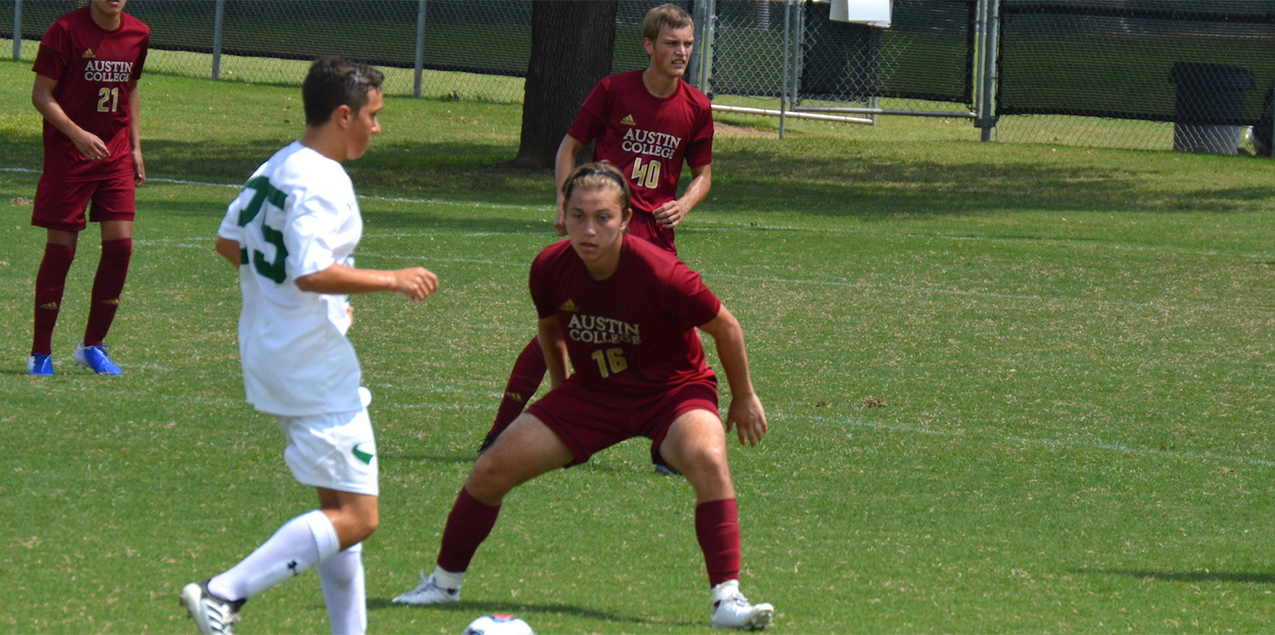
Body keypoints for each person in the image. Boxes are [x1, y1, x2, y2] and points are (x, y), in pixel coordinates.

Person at [393, 163, 773, 631]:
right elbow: (551, 329)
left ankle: (727, 600)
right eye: (577, 216)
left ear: (626, 219)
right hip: (594, 393)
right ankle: (442, 585)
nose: (588, 229)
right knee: (490, 468)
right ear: (563, 215)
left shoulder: (661, 272)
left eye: (602, 217)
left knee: (707, 461)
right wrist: (561, 395)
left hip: (672, 392)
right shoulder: (550, 267)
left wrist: (744, 396)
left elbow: (726, 326)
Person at [180, 57, 439, 635]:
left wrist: (296, 301)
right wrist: (390, 279)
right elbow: (310, 272)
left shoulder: (278, 164)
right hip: (311, 364)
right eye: (373, 116)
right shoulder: (322, 179)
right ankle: (223, 594)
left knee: (338, 511)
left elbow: (229, 242)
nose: (378, 127)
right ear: (343, 114)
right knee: (358, 516)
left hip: (274, 350)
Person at [480, 4, 716, 471]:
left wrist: (684, 204)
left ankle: (670, 442)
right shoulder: (614, 90)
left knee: (677, 336)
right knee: (562, 325)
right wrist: (565, 205)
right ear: (648, 45)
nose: (681, 52)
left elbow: (703, 174)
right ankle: (501, 430)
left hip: (654, 238)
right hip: (604, 228)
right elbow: (569, 147)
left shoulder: (696, 106)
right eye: (672, 43)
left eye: (687, 44)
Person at [26, 0, 149, 376]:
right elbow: (41, 94)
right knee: (61, 252)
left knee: (121, 247)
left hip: (114, 155)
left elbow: (128, 90)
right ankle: (40, 353)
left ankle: (92, 346)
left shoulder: (138, 33)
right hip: (69, 155)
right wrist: (76, 134)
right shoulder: (64, 31)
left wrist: (135, 147)